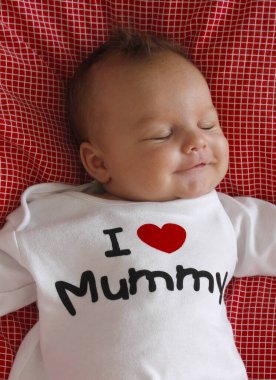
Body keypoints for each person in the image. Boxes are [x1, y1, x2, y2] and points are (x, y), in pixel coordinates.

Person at [0, 30, 275, 380]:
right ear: (99, 163)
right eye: (162, 134)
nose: (197, 141)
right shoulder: (53, 224)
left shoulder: (225, 217)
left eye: (208, 124)